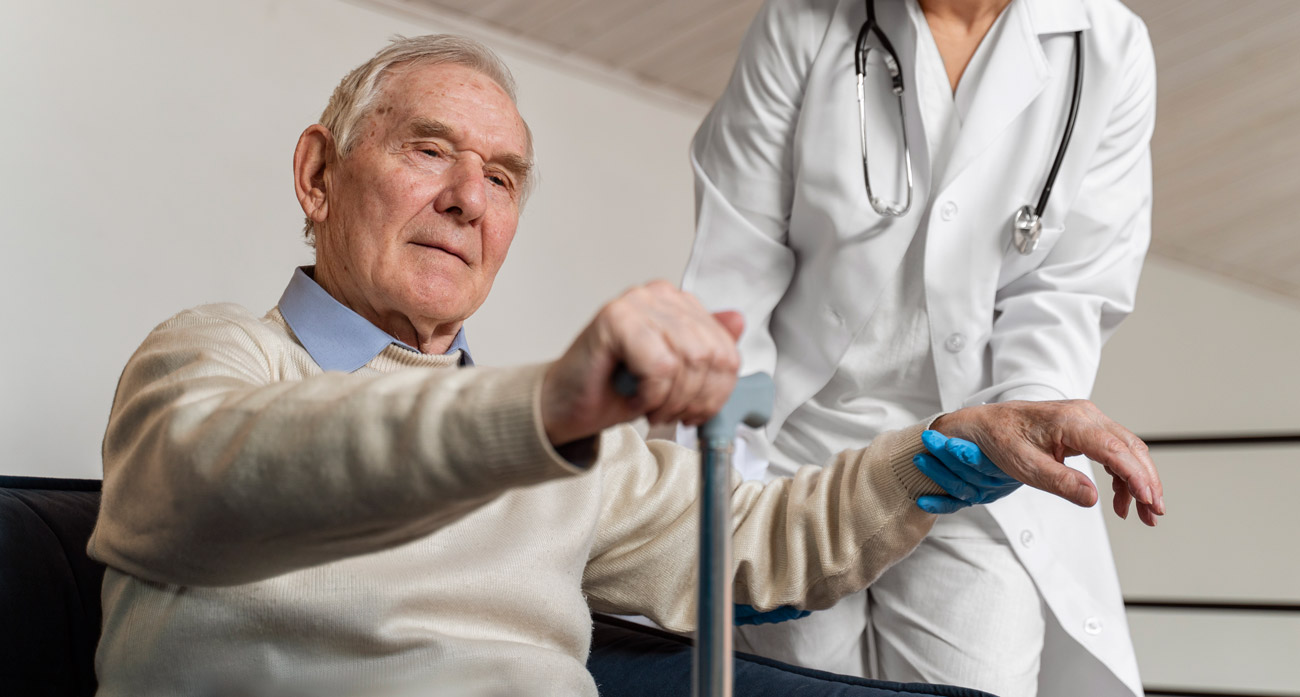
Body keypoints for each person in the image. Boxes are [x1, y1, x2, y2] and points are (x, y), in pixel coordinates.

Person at [88, 34, 1162, 697]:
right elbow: (232, 475)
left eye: (503, 177)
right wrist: (546, 406)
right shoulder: (215, 358)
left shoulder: (565, 442)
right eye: (428, 150)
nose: (470, 197)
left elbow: (748, 540)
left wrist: (949, 446)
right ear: (318, 175)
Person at [680, 0, 1157, 694]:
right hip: (795, 450)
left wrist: (1032, 414)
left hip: (977, 464)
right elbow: (734, 270)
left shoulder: (1106, 47)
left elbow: (1068, 289)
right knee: (794, 684)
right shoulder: (802, 21)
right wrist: (732, 492)